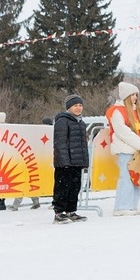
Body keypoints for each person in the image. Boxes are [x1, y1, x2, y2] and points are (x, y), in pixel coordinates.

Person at [107, 82, 140, 216]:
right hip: (125, 149)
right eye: (132, 95)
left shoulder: (139, 112)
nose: (135, 97)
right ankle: (121, 206)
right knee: (126, 177)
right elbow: (122, 131)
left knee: (136, 177)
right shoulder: (117, 111)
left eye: (136, 95)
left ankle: (132, 205)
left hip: (137, 149)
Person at [51, 94, 90, 223]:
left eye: (80, 105)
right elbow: (60, 143)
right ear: (69, 107)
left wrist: (84, 161)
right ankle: (59, 212)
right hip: (65, 162)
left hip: (77, 161)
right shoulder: (63, 121)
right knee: (62, 187)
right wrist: (64, 161)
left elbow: (83, 144)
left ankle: (71, 210)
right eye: (75, 105)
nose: (78, 108)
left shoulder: (81, 123)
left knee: (74, 187)